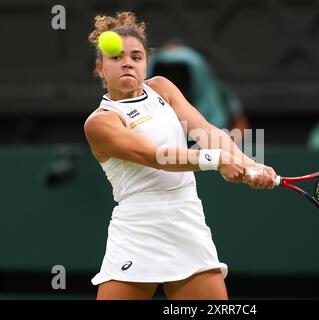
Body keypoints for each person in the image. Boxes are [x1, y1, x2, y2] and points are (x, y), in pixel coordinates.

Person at [84, 12, 276, 300]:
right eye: (117, 57)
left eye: (136, 57)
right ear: (101, 68)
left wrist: (250, 165)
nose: (128, 62)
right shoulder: (100, 122)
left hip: (186, 219)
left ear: (145, 64)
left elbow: (208, 132)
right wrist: (217, 161)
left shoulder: (163, 88)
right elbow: (154, 156)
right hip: (138, 229)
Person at [147, 40, 250, 135]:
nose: (174, 74)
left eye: (180, 70)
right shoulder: (145, 95)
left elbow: (241, 125)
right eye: (165, 69)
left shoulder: (220, 90)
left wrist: (222, 146)